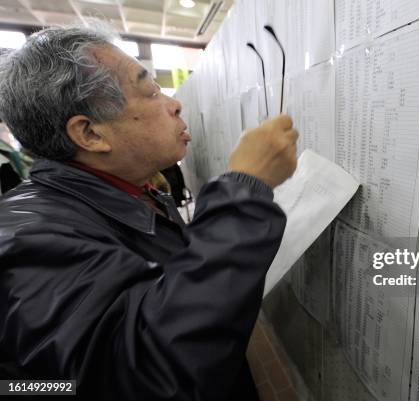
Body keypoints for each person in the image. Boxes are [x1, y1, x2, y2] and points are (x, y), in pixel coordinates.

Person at [0, 24, 298, 400]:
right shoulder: (29, 240)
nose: (175, 104)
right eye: (151, 91)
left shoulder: (125, 191)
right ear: (90, 134)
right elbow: (146, 376)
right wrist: (246, 187)